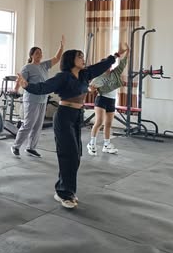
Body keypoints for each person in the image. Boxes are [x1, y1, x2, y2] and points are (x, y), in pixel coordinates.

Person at [17, 45, 127, 209]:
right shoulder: (63, 77)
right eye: (79, 57)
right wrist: (26, 86)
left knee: (76, 156)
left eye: (82, 56)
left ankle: (64, 189)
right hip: (64, 116)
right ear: (71, 60)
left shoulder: (84, 75)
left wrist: (116, 55)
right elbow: (44, 87)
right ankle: (64, 193)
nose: (83, 59)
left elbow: (100, 66)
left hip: (77, 116)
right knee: (68, 154)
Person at [11, 36, 64, 158]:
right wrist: (15, 89)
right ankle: (16, 146)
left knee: (38, 125)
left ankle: (31, 148)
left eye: (40, 53)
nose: (39, 55)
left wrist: (61, 47)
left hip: (43, 99)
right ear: (31, 55)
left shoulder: (44, 65)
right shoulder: (27, 67)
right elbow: (21, 80)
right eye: (37, 53)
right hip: (31, 99)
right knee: (28, 124)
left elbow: (56, 58)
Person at [87, 43, 130, 156]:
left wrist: (127, 52)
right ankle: (91, 144)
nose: (109, 67)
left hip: (111, 100)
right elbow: (90, 88)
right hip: (101, 99)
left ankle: (106, 145)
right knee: (99, 122)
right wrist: (91, 89)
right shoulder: (98, 78)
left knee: (109, 123)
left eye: (109, 65)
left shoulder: (115, 73)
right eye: (106, 66)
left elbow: (123, 63)